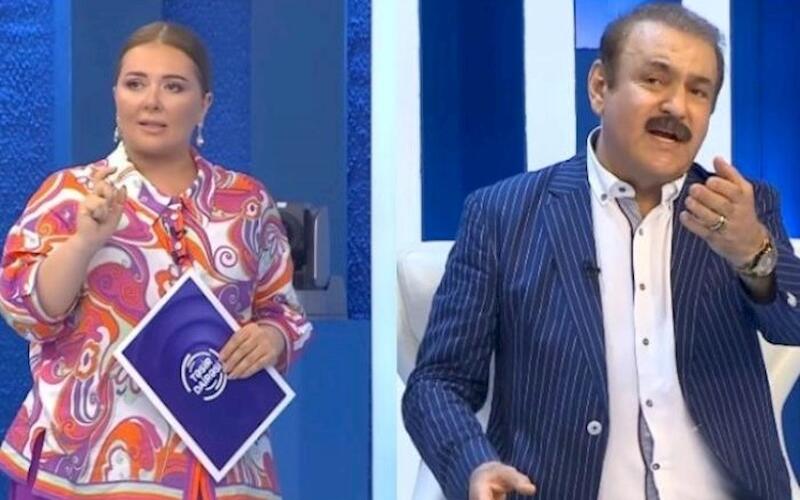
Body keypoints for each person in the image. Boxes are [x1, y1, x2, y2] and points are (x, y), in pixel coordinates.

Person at [403, 3, 800, 500]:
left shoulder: (742, 208)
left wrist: (754, 253)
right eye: (655, 80)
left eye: (698, 91)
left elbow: (792, 324)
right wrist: (474, 465)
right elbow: (438, 382)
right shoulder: (502, 215)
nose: (677, 107)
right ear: (599, 87)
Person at [0, 21, 311, 499]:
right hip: (81, 472)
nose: (152, 101)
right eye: (135, 84)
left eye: (174, 87)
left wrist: (271, 338)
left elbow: (284, 313)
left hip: (223, 473)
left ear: (204, 104)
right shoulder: (69, 194)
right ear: (116, 96)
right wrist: (83, 242)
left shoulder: (246, 202)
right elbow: (27, 313)